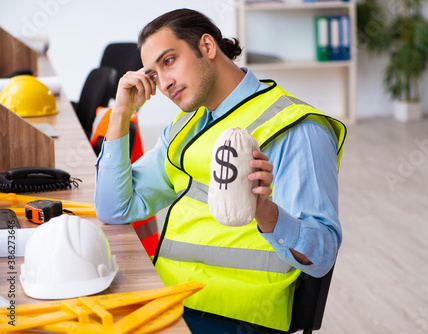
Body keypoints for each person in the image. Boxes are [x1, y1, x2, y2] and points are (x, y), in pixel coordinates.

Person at [94, 8, 346, 334]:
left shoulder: (297, 127)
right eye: (154, 73)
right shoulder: (185, 127)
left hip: (241, 316)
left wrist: (266, 213)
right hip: (170, 298)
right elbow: (115, 209)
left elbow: (323, 252)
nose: (165, 82)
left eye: (169, 61)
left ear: (208, 47)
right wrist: (120, 114)